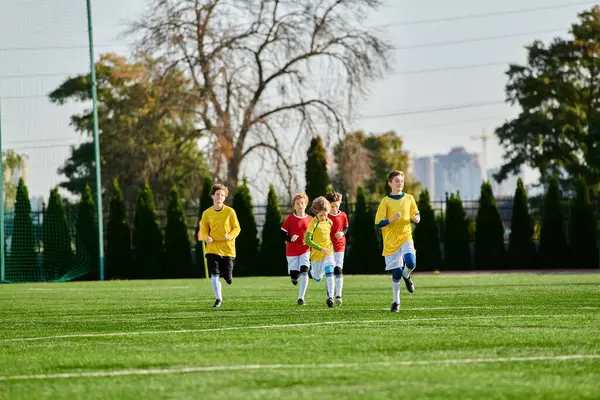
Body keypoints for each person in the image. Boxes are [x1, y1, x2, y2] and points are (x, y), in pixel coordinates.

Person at [374, 171, 420, 313]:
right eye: (397, 181)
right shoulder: (385, 201)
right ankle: (396, 302)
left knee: (411, 263)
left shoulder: (409, 198)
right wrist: (391, 219)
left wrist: (417, 218)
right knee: (396, 273)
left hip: (406, 237)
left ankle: (407, 275)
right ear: (390, 184)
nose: (400, 183)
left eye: (401, 181)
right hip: (390, 242)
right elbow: (378, 223)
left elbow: (416, 213)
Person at [198, 183, 241, 308]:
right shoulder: (207, 213)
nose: (219, 197)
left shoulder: (230, 212)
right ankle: (218, 299)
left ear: (225, 197)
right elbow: (204, 230)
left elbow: (237, 228)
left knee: (227, 276)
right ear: (213, 196)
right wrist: (206, 237)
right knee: (214, 272)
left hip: (228, 248)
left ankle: (228, 276)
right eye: (217, 194)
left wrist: (230, 235)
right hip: (212, 248)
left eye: (222, 195)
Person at [304, 196, 336, 308]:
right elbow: (307, 240)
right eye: (321, 215)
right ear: (316, 213)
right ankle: (312, 273)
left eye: (326, 214)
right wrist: (320, 248)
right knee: (317, 278)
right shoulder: (313, 223)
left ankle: (331, 297)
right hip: (317, 255)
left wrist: (327, 248)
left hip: (328, 251)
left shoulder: (330, 222)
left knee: (330, 269)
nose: (324, 217)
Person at [281, 193, 312, 305]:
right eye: (297, 203)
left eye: (302, 203)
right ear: (294, 206)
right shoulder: (290, 219)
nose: (300, 205)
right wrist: (290, 238)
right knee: (295, 274)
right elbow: (282, 233)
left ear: (306, 204)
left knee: (304, 270)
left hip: (305, 249)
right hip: (292, 251)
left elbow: (315, 233)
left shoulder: (310, 219)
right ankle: (294, 278)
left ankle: (301, 297)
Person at [325, 191, 348, 305]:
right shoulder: (325, 216)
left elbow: (346, 227)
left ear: (340, 204)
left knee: (338, 269)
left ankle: (338, 295)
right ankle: (330, 296)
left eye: (336, 206)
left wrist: (342, 233)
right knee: (329, 269)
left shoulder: (343, 215)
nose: (334, 209)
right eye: (332, 206)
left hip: (340, 245)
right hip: (328, 246)